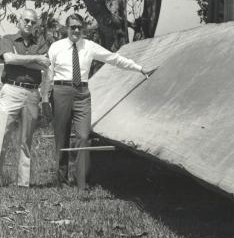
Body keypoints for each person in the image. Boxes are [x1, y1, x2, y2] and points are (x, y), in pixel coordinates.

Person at [46, 14, 153, 190]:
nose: (77, 30)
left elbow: (114, 58)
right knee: (61, 137)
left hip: (82, 94)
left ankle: (82, 182)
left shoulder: (89, 46)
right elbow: (47, 72)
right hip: (61, 92)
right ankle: (62, 181)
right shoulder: (56, 47)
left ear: (83, 28)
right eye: (73, 27)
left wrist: (139, 68)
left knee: (83, 136)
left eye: (80, 27)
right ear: (66, 28)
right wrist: (44, 98)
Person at [0, 8, 52, 187]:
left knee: (26, 141)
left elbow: (44, 67)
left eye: (32, 22)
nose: (29, 24)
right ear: (19, 21)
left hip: (32, 94)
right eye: (26, 20)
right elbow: (9, 59)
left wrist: (22, 59)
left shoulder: (41, 43)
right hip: (11, 91)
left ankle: (23, 183)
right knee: (1, 138)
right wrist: (35, 59)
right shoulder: (7, 39)